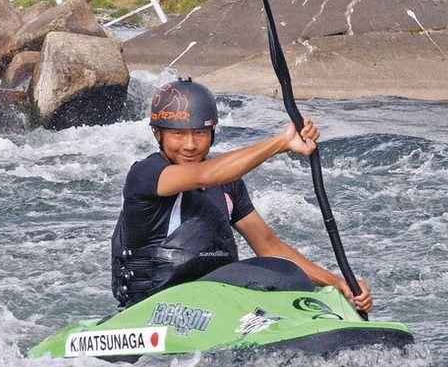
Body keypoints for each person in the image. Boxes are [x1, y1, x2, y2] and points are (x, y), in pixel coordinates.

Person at [110, 77, 373, 313]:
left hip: (211, 306)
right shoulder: (146, 174)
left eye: (200, 133)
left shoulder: (229, 185)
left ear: (212, 134)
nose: (190, 145)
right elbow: (205, 175)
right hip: (152, 305)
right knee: (272, 279)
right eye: (178, 134)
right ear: (158, 134)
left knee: (287, 274)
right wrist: (281, 143)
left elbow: (269, 246)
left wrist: (337, 283)